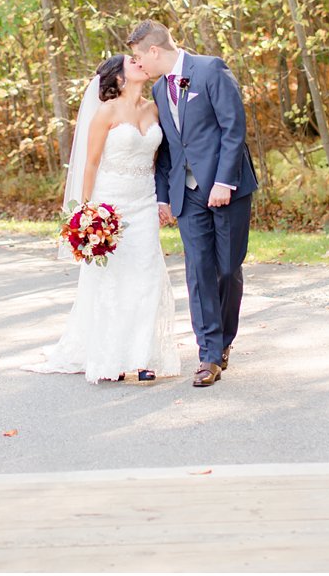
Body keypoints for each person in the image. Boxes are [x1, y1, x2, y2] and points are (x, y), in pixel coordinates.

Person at [21, 54, 182, 383]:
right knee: (114, 280)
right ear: (118, 76)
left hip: (144, 199)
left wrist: (163, 199)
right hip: (111, 203)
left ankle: (144, 356)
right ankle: (114, 358)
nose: (139, 63)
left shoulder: (153, 109)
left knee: (148, 275)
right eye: (132, 61)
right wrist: (86, 212)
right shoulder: (105, 112)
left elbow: (160, 159)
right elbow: (90, 163)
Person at [127, 20, 258, 388]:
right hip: (187, 194)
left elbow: (234, 128)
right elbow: (169, 147)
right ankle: (208, 355)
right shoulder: (158, 88)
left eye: (140, 55)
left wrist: (223, 181)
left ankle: (224, 339)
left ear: (154, 50)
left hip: (226, 187)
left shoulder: (210, 69)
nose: (139, 63)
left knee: (228, 269)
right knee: (198, 270)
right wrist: (164, 196)